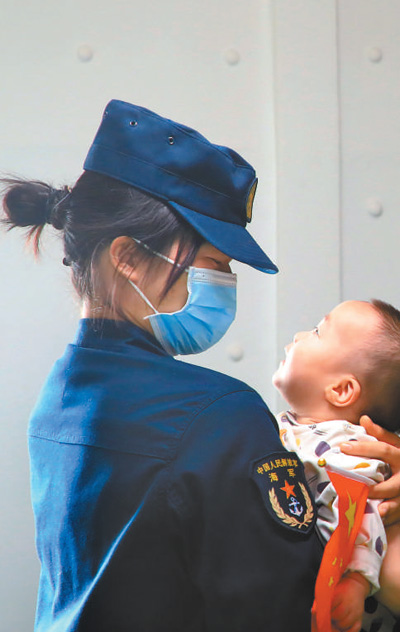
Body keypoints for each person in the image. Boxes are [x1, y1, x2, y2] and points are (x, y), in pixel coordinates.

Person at [2, 99, 325, 632]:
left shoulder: (56, 399)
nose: (226, 284)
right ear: (128, 257)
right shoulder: (219, 415)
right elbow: (291, 610)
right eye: (213, 264)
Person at [272, 298, 400, 632]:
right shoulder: (290, 426)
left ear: (341, 389)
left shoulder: (348, 447)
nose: (299, 335)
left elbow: (360, 510)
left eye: (317, 332)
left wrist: (357, 578)